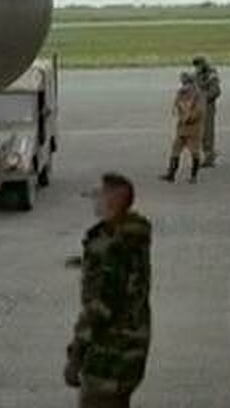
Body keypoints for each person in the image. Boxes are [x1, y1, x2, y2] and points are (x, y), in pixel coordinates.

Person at [65, 173, 152, 408]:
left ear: (112, 204)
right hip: (133, 350)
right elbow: (124, 278)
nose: (94, 201)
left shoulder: (110, 250)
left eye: (99, 197)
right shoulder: (132, 236)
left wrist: (76, 354)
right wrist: (87, 262)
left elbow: (100, 307)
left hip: (109, 356)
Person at [162, 72, 205, 183]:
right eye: (183, 82)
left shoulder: (198, 95)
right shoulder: (181, 93)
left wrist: (187, 118)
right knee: (175, 151)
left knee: (194, 152)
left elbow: (199, 112)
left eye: (186, 83)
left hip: (193, 129)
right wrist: (179, 114)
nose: (184, 85)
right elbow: (176, 106)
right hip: (181, 129)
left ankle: (194, 176)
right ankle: (171, 174)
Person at [192, 55, 222, 167]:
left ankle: (209, 155)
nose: (197, 67)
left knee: (207, 132)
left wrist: (203, 97)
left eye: (199, 65)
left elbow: (216, 91)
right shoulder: (196, 75)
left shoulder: (211, 75)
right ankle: (206, 154)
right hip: (197, 107)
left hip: (208, 107)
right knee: (198, 133)